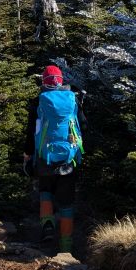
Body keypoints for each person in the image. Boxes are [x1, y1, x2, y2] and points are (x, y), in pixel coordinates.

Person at [23, 64, 86, 253]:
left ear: (44, 81)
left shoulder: (39, 101)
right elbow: (83, 125)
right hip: (69, 157)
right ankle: (66, 246)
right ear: (60, 81)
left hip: (45, 156)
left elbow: (31, 131)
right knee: (66, 203)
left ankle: (48, 228)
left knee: (45, 192)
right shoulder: (73, 99)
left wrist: (27, 155)